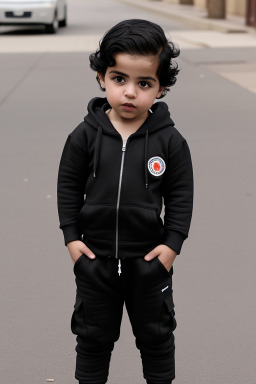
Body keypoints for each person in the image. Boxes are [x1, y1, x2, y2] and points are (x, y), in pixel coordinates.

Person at [57, 19, 194, 384]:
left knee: (157, 336)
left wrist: (171, 247)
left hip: (149, 261)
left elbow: (180, 195)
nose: (130, 92)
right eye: (120, 79)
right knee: (92, 337)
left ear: (161, 88)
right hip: (95, 260)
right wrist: (72, 238)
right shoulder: (85, 135)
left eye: (144, 83)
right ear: (103, 77)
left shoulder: (170, 141)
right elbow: (68, 186)